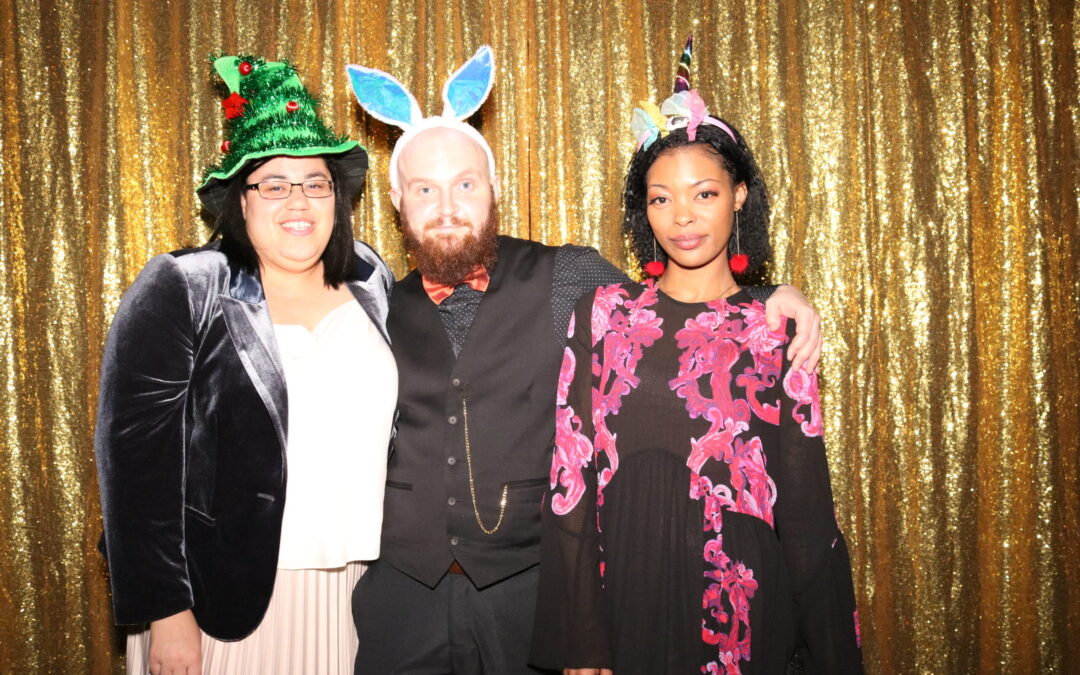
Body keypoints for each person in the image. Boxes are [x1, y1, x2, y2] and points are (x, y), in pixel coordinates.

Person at [345, 46, 824, 674]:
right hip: (403, 599)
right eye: (424, 189)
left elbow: (676, 313)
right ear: (397, 201)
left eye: (464, 184)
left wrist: (769, 297)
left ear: (493, 190)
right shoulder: (369, 300)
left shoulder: (567, 275)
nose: (447, 206)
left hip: (528, 595)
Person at [530, 39, 863, 675]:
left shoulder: (775, 328)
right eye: (661, 198)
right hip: (626, 595)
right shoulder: (601, 317)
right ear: (643, 210)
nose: (682, 217)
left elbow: (806, 508)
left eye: (704, 193)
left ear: (738, 195)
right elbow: (571, 484)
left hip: (742, 606)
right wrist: (580, 638)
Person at [95, 54, 396, 675]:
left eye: (316, 182)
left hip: (358, 592)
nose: (298, 200)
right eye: (274, 184)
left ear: (338, 195)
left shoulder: (372, 279)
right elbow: (133, 461)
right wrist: (166, 611)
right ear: (240, 197)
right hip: (220, 600)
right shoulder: (185, 285)